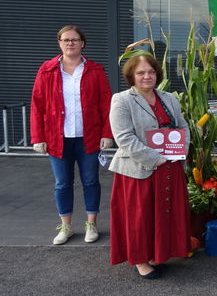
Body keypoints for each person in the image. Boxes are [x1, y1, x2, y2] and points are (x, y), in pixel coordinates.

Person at [108, 53, 191, 279]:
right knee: (140, 217)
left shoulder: (168, 98)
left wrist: (180, 150)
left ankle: (157, 255)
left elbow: (183, 127)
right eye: (141, 73)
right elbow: (124, 138)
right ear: (131, 76)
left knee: (162, 213)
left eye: (151, 72)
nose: (147, 76)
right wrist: (155, 158)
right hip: (139, 169)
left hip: (170, 167)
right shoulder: (122, 100)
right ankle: (141, 260)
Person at [30, 25, 113, 245]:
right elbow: (37, 105)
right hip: (58, 138)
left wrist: (107, 133)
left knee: (90, 181)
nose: (70, 43)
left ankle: (91, 224)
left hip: (89, 138)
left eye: (74, 40)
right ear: (59, 43)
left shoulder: (95, 70)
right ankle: (66, 227)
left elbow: (106, 105)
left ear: (82, 43)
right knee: (62, 183)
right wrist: (38, 137)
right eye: (65, 40)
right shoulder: (47, 70)